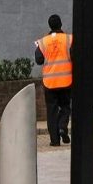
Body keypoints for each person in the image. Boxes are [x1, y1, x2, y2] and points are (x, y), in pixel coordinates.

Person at [36, 12, 73, 145]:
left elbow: (39, 60)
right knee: (65, 107)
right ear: (61, 24)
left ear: (49, 26)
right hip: (66, 80)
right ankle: (63, 127)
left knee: (51, 111)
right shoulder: (69, 39)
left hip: (49, 82)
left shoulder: (43, 42)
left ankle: (54, 140)